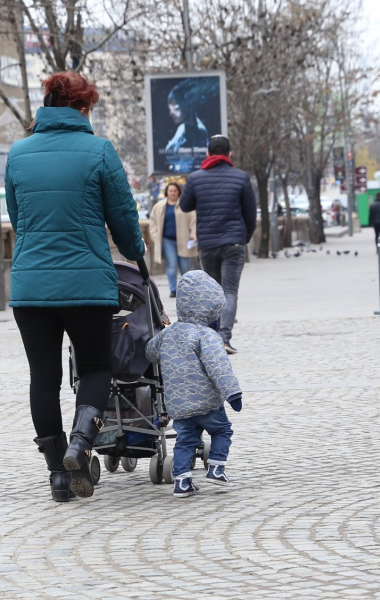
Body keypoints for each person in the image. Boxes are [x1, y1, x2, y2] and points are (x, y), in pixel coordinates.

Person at [5, 72, 145, 502]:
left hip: (31, 288)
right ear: (84, 108)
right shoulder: (100, 151)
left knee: (43, 377)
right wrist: (134, 251)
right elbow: (122, 219)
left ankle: (58, 476)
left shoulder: (18, 154)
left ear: (48, 104)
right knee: (96, 367)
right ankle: (81, 446)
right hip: (86, 283)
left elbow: (17, 217)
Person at [145, 270, 242, 498]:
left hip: (178, 405)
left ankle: (182, 482)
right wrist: (233, 394)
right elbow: (219, 367)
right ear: (210, 309)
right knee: (222, 430)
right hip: (207, 403)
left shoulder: (168, 334)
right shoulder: (206, 335)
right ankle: (217, 467)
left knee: (185, 440)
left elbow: (150, 352)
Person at [180, 135, 256, 355]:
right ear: (229, 154)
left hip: (208, 242)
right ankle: (224, 338)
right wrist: (245, 237)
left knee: (211, 292)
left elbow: (185, 206)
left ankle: (211, 339)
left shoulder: (196, 178)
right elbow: (250, 214)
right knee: (230, 291)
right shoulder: (241, 178)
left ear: (207, 154)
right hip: (234, 242)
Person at [149, 182, 197, 298]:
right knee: (172, 264)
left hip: (184, 240)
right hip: (167, 240)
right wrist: (155, 236)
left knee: (185, 266)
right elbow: (153, 222)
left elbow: (193, 220)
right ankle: (173, 290)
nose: (173, 193)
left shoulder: (185, 205)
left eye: (175, 191)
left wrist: (194, 234)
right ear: (166, 192)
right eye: (170, 191)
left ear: (178, 192)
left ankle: (186, 290)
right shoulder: (160, 206)